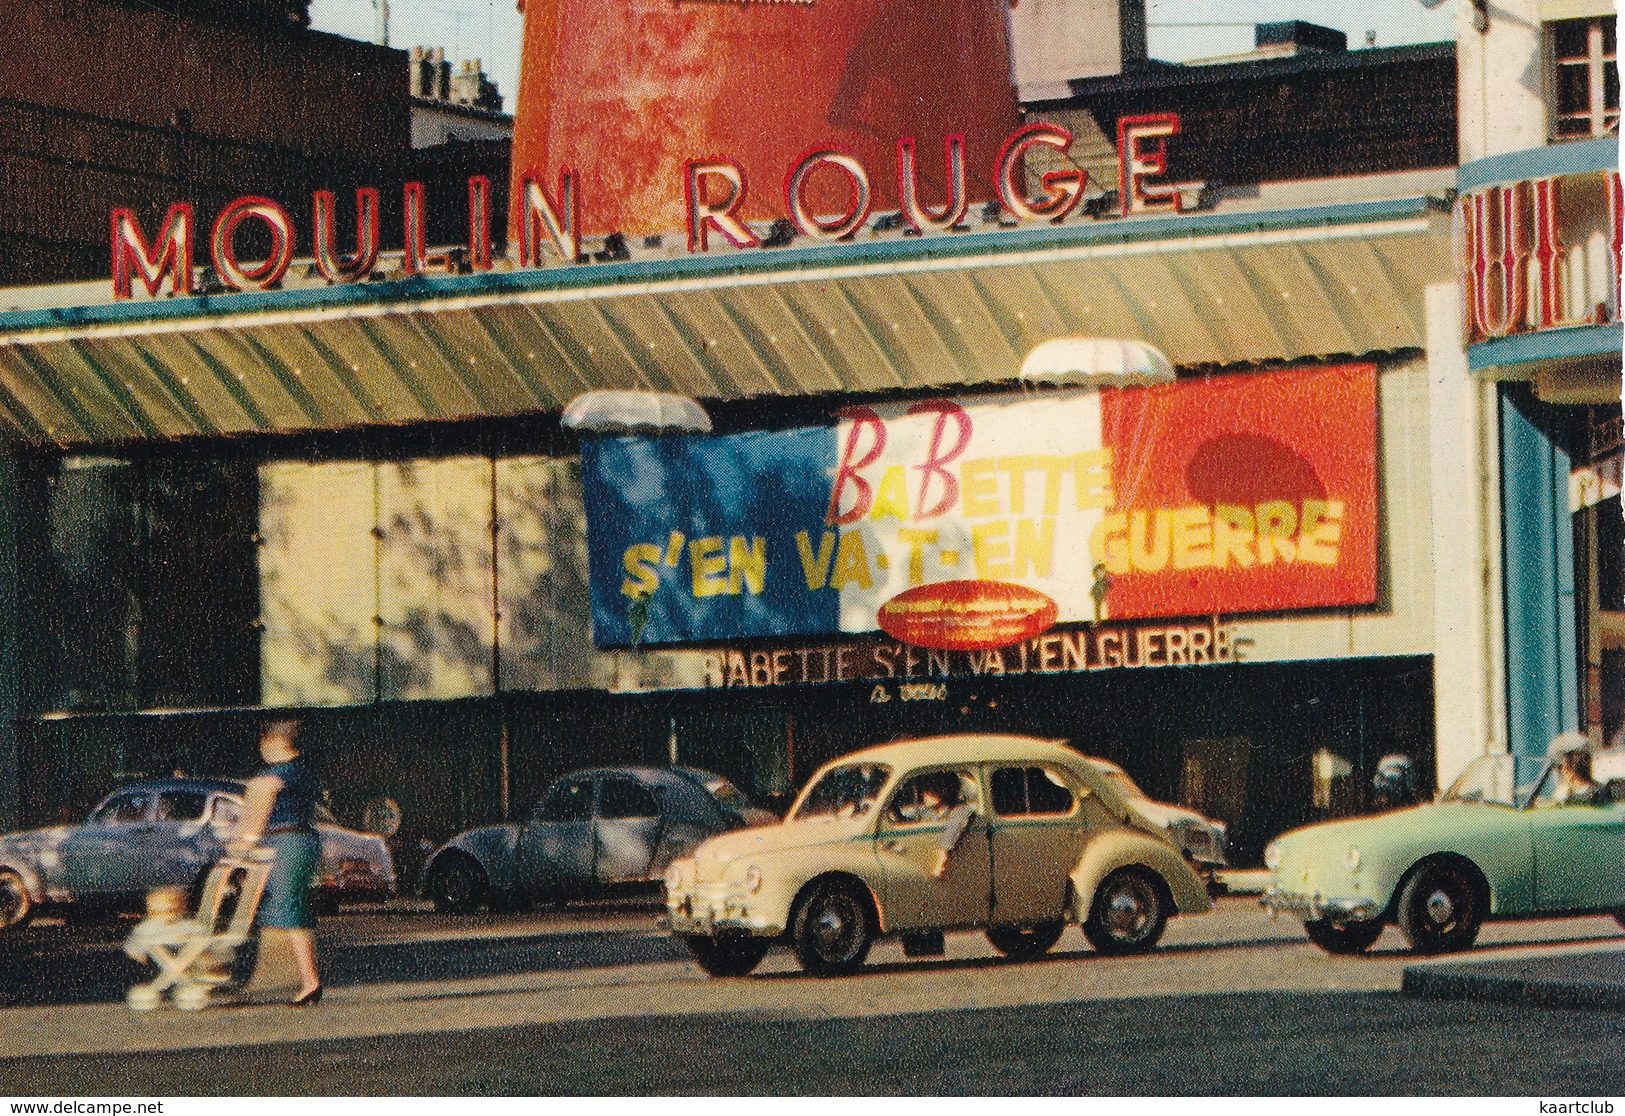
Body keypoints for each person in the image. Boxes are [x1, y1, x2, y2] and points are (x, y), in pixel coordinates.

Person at [234, 720, 323, 1005]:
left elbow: (259, 807)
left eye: (264, 742)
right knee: (293, 906)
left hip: (287, 843)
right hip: (302, 841)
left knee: (286, 907)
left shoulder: (277, 775)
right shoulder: (303, 773)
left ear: (276, 742)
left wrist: (244, 842)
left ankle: (307, 981)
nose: (262, 748)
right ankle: (305, 978)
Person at [1548, 732, 1599, 805]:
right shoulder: (1603, 792)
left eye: (1559, 767)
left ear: (1565, 768)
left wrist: (1560, 797)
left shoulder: (1569, 803)